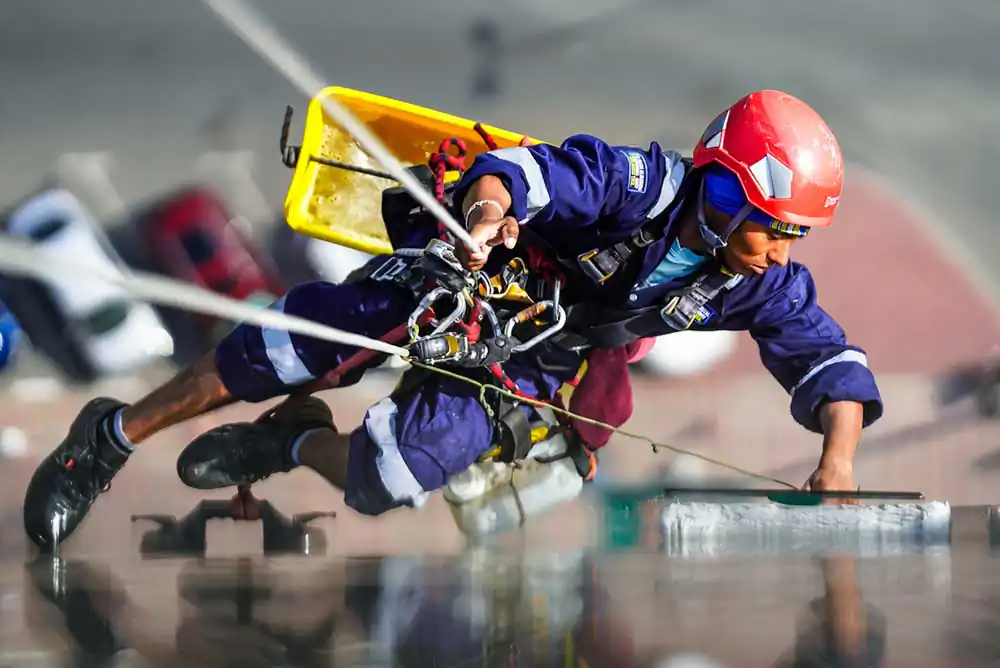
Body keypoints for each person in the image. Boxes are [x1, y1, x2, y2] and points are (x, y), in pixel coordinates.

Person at [22, 89, 883, 550]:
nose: (781, 250)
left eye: (795, 234)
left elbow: (826, 355)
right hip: (466, 274)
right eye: (778, 225)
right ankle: (109, 440)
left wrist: (836, 461)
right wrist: (484, 215)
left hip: (536, 361)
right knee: (280, 351)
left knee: (380, 483)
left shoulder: (754, 281)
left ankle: (289, 442)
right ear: (729, 192)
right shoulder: (637, 183)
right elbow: (535, 174)